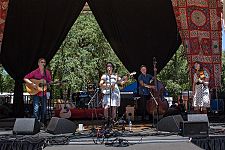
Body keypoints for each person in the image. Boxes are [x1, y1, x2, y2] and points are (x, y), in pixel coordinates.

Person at [24, 58, 52, 124]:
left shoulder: (47, 72)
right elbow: (25, 78)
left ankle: (43, 123)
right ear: (38, 63)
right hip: (35, 93)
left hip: (43, 93)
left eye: (44, 62)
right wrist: (32, 84)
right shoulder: (35, 72)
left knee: (44, 109)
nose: (43, 63)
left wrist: (55, 82)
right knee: (36, 108)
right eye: (42, 62)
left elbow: (49, 81)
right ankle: (35, 123)